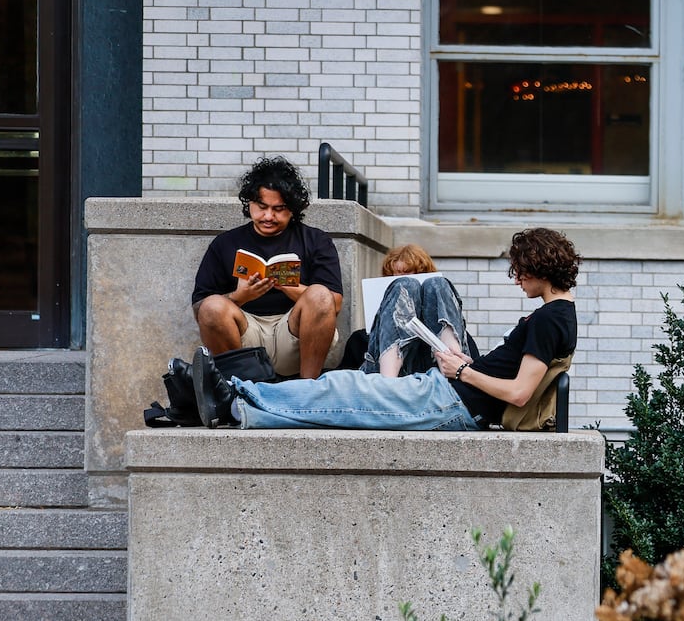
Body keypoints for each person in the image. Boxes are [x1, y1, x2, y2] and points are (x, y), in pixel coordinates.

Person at [191, 227, 578, 430]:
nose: (517, 280)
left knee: (339, 389)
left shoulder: (551, 318)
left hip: (452, 401)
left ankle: (233, 394)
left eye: (519, 271)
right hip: (445, 393)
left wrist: (462, 371)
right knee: (339, 402)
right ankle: (240, 409)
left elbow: (520, 393)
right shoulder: (556, 315)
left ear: (538, 268)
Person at [191, 156, 344, 380]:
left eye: (279, 209)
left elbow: (335, 303)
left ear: (292, 209)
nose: (269, 216)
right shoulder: (225, 243)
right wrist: (240, 296)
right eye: (262, 207)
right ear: (249, 204)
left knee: (320, 295)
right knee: (212, 306)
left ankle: (308, 389)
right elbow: (200, 311)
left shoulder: (315, 240)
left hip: (293, 333)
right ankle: (239, 389)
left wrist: (289, 286)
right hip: (245, 334)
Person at [361, 244, 470, 377]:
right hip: (389, 373)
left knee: (437, 284)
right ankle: (388, 381)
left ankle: (453, 366)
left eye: (410, 273)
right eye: (394, 275)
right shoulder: (360, 338)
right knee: (405, 285)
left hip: (439, 371)